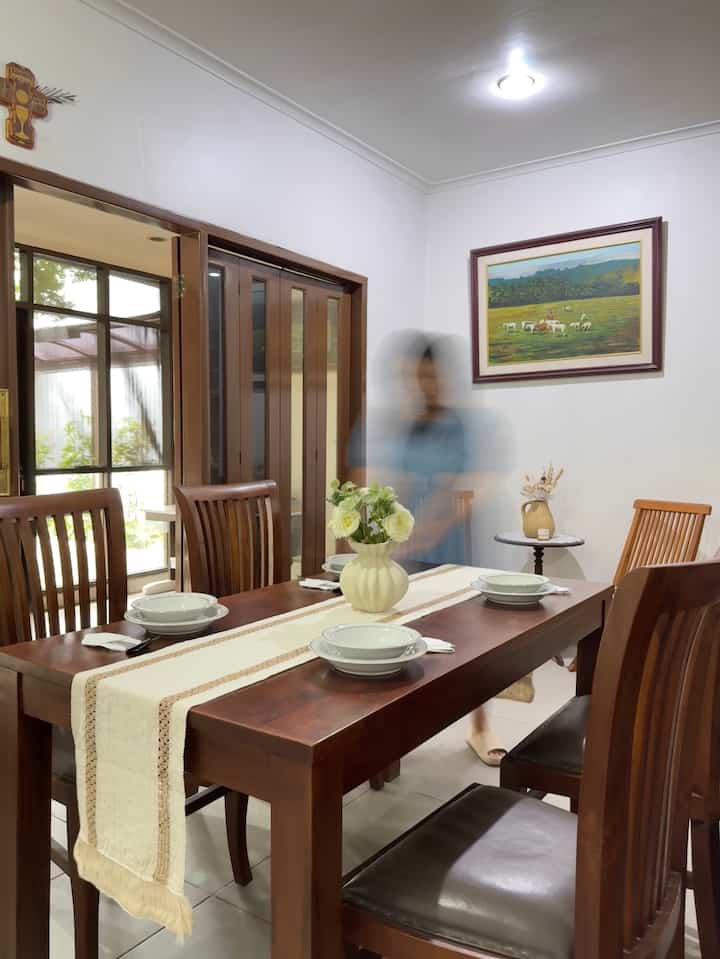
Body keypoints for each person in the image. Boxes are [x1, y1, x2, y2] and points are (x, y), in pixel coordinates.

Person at [348, 331, 508, 765]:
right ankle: (390, 736)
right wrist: (384, 531)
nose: (425, 386)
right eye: (417, 377)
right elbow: (375, 479)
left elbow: (471, 483)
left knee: (468, 640)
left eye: (432, 377)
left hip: (451, 546)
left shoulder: (459, 426)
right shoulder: (398, 424)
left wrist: (435, 523)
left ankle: (480, 726)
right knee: (395, 637)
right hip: (403, 548)